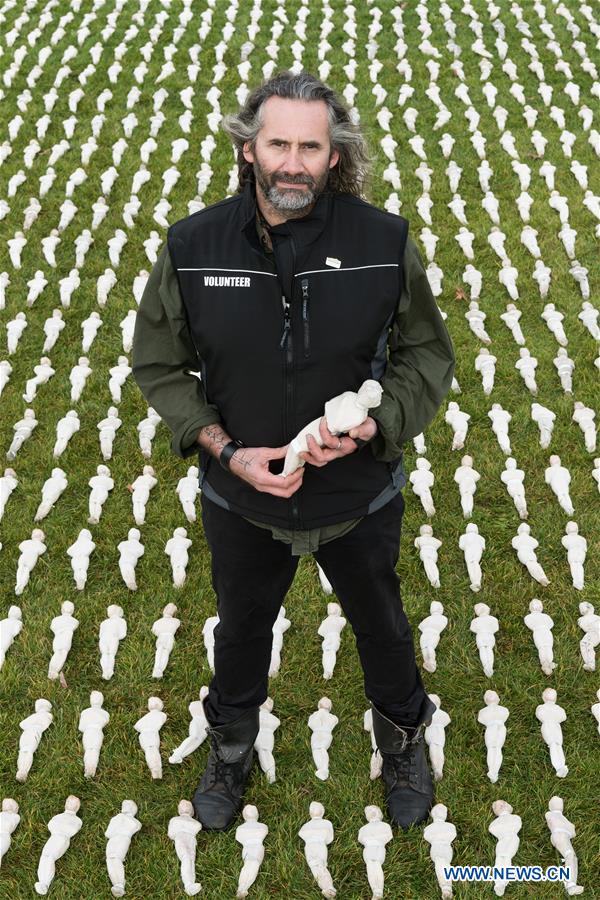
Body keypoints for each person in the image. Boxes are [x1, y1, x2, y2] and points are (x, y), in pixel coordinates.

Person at [132, 71, 455, 833]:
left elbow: (425, 354)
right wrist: (224, 449)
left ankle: (404, 735)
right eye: (278, 143)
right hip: (240, 494)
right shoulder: (193, 243)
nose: (293, 163)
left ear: (335, 156)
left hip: (357, 495)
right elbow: (158, 363)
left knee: (381, 621)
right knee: (241, 627)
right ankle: (232, 745)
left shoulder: (383, 242)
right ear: (249, 148)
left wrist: (382, 424)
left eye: (312, 147)